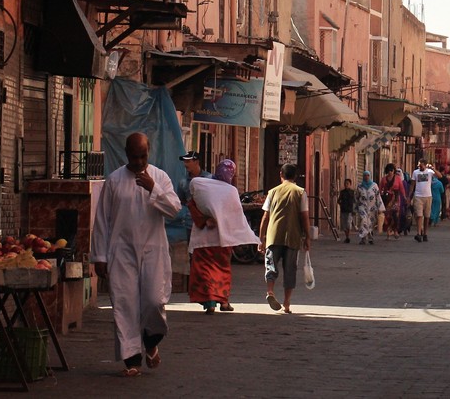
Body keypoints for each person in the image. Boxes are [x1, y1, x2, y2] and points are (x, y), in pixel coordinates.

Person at [91, 133, 182, 377]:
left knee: (154, 301)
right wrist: (100, 256)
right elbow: (102, 220)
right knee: (125, 305)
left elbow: (174, 209)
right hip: (121, 251)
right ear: (126, 154)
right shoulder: (114, 180)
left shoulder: (160, 177)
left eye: (143, 156)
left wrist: (154, 189)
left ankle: (151, 341)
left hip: (154, 250)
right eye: (134, 156)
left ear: (148, 152)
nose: (139, 162)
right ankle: (131, 360)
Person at [187, 156, 258, 314]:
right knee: (222, 269)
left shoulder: (200, 185)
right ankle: (224, 302)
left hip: (203, 238)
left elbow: (192, 202)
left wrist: (207, 217)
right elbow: (235, 215)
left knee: (205, 270)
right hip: (222, 238)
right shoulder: (231, 191)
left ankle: (210, 302)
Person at [257, 164, 312, 314]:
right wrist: (307, 237)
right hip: (293, 237)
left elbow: (265, 217)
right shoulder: (300, 192)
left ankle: (270, 291)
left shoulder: (272, 192)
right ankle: (287, 303)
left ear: (281, 174)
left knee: (271, 266)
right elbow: (304, 216)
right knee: (290, 269)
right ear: (295, 176)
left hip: (273, 236)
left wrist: (261, 238)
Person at [354, 171, 383, 245]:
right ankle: (363, 238)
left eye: (368, 175)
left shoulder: (374, 186)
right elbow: (356, 197)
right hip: (362, 206)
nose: (366, 177)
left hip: (372, 207)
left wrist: (380, 208)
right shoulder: (360, 186)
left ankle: (370, 237)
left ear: (370, 176)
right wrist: (355, 207)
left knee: (370, 222)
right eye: (365, 175)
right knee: (363, 221)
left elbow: (378, 197)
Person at [410, 159, 434, 241]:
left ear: (425, 165)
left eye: (421, 165)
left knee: (427, 216)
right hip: (418, 196)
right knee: (419, 215)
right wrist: (409, 195)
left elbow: (440, 176)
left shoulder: (430, 172)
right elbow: (412, 184)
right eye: (419, 165)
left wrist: (433, 169)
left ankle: (425, 233)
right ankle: (419, 233)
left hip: (428, 196)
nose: (419, 167)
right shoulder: (415, 172)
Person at [380, 164, 406, 240]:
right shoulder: (384, 179)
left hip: (395, 199)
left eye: (391, 170)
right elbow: (380, 189)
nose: (390, 172)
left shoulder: (398, 179)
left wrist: (404, 197)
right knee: (388, 216)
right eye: (388, 171)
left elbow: (401, 189)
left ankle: (395, 231)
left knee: (395, 216)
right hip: (387, 199)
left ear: (394, 171)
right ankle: (388, 231)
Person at [338, 178, 356, 243]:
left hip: (349, 210)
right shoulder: (342, 192)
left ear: (350, 184)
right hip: (343, 210)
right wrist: (341, 204)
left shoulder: (352, 192)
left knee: (348, 224)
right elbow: (339, 200)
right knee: (344, 224)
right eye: (345, 183)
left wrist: (354, 209)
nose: (346, 185)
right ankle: (347, 236)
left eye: (347, 183)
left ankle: (348, 237)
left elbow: (354, 201)